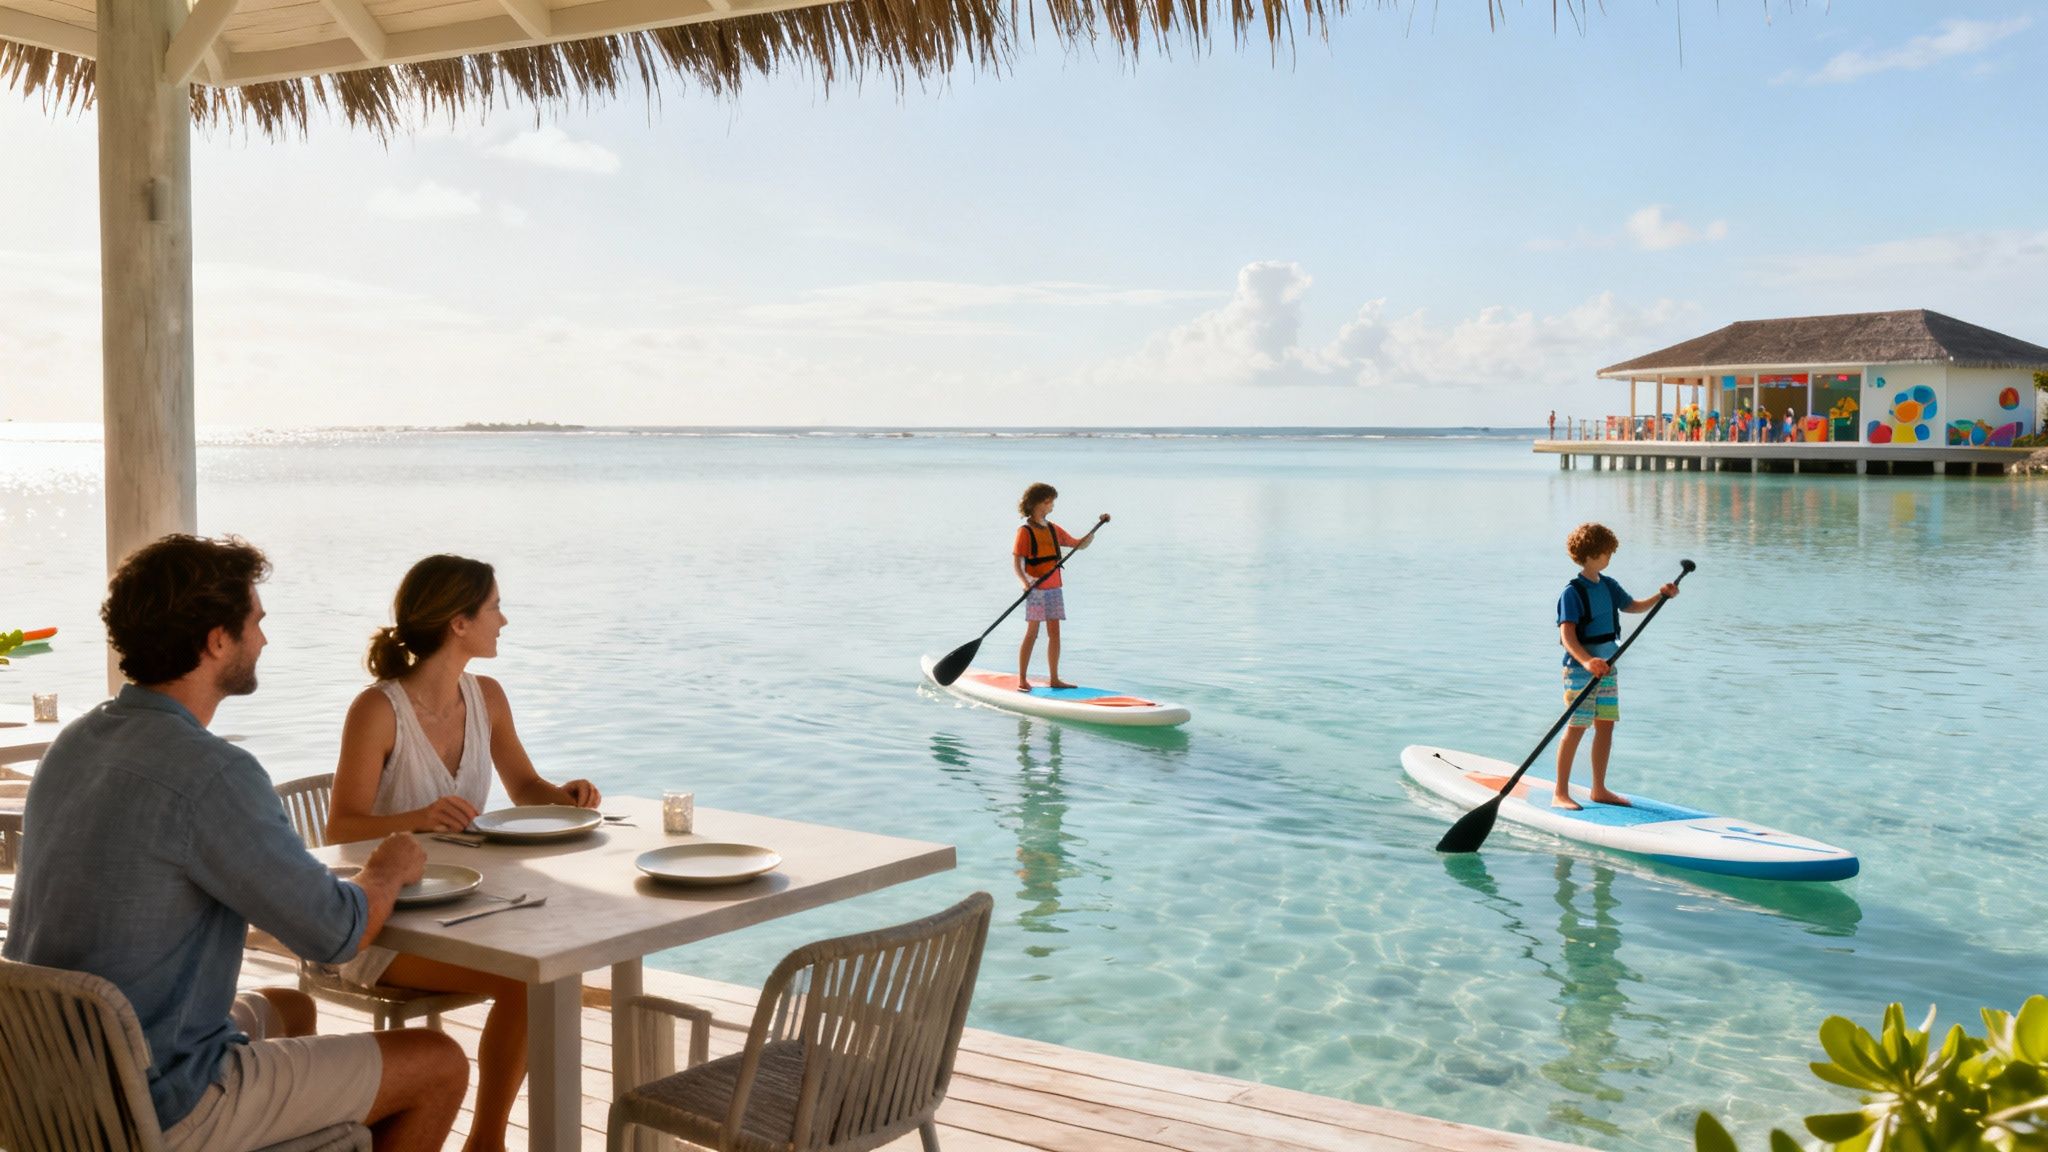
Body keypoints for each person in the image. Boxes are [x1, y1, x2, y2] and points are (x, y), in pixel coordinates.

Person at [1, 534, 466, 1152]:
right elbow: (333, 934)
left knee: (287, 1011)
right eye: (256, 622)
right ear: (217, 640)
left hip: (46, 1083)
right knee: (437, 1062)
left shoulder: (77, 742)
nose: (264, 639)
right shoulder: (212, 773)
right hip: (160, 1100)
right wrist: (389, 867)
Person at [327, 554, 602, 1152]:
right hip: (381, 924)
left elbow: (525, 788)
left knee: (548, 963)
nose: (503, 620)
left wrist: (564, 797)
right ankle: (491, 1142)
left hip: (463, 908)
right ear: (459, 622)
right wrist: (417, 820)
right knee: (532, 982)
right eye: (495, 607)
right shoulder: (377, 710)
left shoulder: (488, 697)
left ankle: (485, 1140)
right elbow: (339, 829)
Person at [1553, 523, 1679, 811]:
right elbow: (1567, 634)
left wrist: (1661, 596)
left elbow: (1633, 606)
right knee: (1576, 727)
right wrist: (1587, 660)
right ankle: (1559, 792)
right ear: (1591, 554)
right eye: (1606, 553)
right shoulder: (1572, 592)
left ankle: (1598, 789)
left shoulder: (1608, 585)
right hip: (1580, 670)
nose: (1610, 558)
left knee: (1606, 726)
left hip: (1608, 668)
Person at [1012, 483, 1107, 691]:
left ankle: (1054, 678)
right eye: (1049, 502)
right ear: (1037, 503)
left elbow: (1078, 544)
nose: (1052, 506)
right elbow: (1017, 564)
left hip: (1054, 588)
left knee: (1055, 633)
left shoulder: (1053, 529)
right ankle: (1022, 679)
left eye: (1052, 502)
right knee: (1032, 633)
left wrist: (1095, 529)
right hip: (1035, 589)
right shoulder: (1025, 532)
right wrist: (1024, 582)